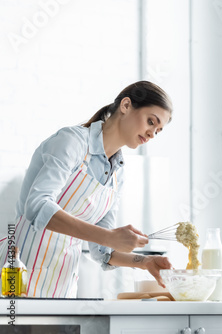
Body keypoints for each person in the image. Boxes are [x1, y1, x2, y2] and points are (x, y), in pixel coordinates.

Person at [0, 81, 173, 298]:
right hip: (17, 276)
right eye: (151, 122)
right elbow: (36, 206)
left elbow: (102, 251)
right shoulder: (71, 142)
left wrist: (145, 262)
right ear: (126, 105)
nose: (152, 134)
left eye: (158, 131)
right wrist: (108, 236)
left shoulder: (117, 174)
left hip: (62, 290)